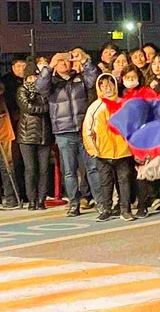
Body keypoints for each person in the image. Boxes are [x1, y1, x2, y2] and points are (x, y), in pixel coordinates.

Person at [35, 51, 99, 216]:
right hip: (63, 132)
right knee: (69, 171)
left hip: (84, 130)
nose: (64, 63)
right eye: (59, 61)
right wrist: (49, 67)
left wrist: (84, 60)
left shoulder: (79, 79)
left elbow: (94, 79)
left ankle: (101, 201)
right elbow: (40, 87)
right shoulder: (52, 82)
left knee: (92, 168)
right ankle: (74, 203)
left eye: (66, 60)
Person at [83, 73, 135, 221]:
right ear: (99, 87)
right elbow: (87, 130)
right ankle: (106, 208)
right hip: (102, 153)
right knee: (105, 182)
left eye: (110, 84)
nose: (107, 88)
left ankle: (125, 209)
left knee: (124, 182)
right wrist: (93, 149)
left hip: (123, 151)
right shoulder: (95, 107)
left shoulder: (124, 104)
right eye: (103, 85)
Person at [15, 62, 52, 210]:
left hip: (44, 134)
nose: (33, 79)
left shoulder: (45, 90)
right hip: (26, 135)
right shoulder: (21, 90)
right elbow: (29, 108)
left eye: (36, 76)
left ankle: (42, 199)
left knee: (44, 169)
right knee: (30, 169)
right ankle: (31, 199)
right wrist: (46, 108)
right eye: (30, 77)